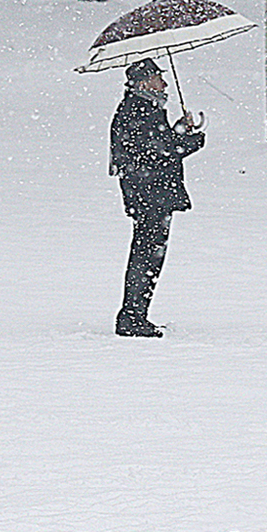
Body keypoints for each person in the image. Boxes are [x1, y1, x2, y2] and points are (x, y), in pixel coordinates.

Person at [108, 58, 204, 337]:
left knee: (149, 254)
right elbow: (156, 151)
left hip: (150, 192)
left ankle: (135, 315)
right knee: (147, 255)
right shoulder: (139, 109)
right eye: (158, 78)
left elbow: (157, 144)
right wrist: (189, 141)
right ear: (143, 82)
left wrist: (179, 132)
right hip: (148, 192)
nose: (164, 83)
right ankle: (132, 317)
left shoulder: (145, 108)